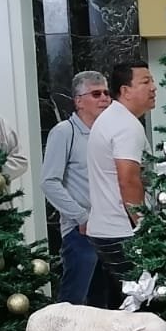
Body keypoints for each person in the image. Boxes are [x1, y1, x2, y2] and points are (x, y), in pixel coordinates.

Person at [85, 61, 155, 311]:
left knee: (121, 307)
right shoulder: (125, 126)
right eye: (145, 82)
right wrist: (144, 225)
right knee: (142, 305)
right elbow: (128, 179)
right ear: (125, 91)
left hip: (108, 229)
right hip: (122, 232)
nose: (153, 88)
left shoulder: (113, 119)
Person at [41, 70, 111, 305]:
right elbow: (49, 182)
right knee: (75, 304)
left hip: (113, 230)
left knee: (106, 306)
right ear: (79, 101)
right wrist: (82, 217)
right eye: (96, 93)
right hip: (81, 233)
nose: (104, 98)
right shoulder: (64, 133)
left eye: (106, 93)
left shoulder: (110, 132)